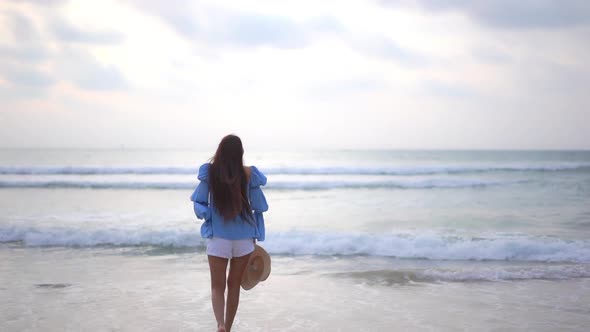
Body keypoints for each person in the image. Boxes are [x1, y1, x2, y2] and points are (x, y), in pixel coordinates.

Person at [190, 134, 268, 332]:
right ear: (241, 153)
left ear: (220, 151)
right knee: (234, 286)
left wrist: (210, 216)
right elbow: (259, 206)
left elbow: (199, 202)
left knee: (217, 287)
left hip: (218, 239)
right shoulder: (249, 174)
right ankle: (229, 328)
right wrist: (256, 231)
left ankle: (220, 325)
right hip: (243, 240)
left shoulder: (211, 172)